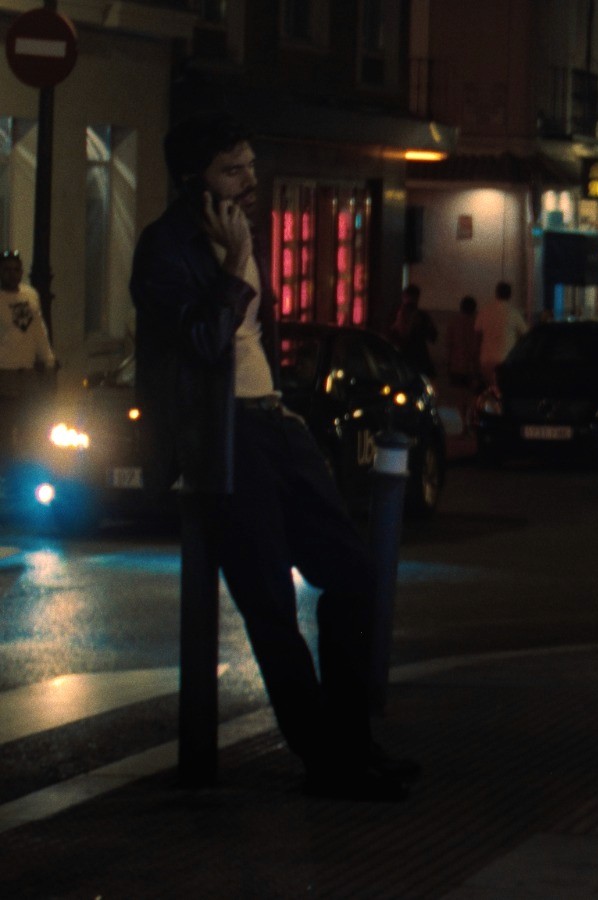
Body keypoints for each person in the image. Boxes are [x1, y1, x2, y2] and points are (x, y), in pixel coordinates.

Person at [131, 111, 417, 802]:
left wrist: (283, 405)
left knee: (354, 575)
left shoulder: (244, 233)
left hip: (271, 423)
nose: (250, 181)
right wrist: (232, 269)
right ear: (196, 179)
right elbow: (202, 342)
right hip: (220, 437)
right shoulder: (166, 247)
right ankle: (328, 762)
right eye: (234, 170)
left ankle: (351, 744)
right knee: (269, 607)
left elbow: (255, 343)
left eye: (252, 166)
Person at [0, 250, 55, 454]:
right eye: (6, 270)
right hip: (4, 375)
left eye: (15, 269)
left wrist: (48, 359)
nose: (11, 274)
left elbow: (38, 330)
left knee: (31, 428)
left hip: (28, 375)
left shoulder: (30, 295)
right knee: (5, 431)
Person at [476, 280, 527, 387]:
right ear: (510, 295)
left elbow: (478, 335)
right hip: (506, 359)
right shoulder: (513, 313)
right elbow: (525, 334)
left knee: (490, 389)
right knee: (505, 389)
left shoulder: (485, 311)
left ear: (496, 293)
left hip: (486, 359)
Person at [387, 283, 437, 378]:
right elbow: (433, 336)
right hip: (418, 358)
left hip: (401, 356)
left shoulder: (395, 313)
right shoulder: (422, 316)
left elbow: (388, 334)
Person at [444, 295, 482, 391]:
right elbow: (479, 345)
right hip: (473, 366)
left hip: (456, 364)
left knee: (459, 393)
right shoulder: (477, 323)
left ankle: (461, 406)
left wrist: (448, 363)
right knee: (473, 394)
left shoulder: (454, 322)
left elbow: (448, 344)